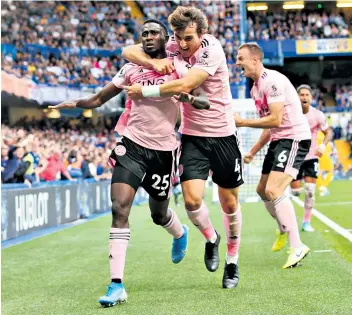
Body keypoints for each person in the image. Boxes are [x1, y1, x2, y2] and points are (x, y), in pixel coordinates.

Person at [49, 19, 209, 307]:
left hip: (164, 151)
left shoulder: (178, 66)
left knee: (158, 215)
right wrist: (74, 103)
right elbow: (99, 98)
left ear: (165, 38)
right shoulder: (131, 68)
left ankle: (180, 232)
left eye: (153, 33)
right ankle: (116, 285)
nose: (148, 37)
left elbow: (202, 100)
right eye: (144, 33)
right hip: (131, 144)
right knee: (119, 207)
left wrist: (188, 98)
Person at [122, 6, 243, 289]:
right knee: (191, 201)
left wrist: (145, 90)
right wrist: (152, 64)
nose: (183, 44)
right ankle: (212, 238)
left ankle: (233, 261)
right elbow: (129, 51)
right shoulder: (173, 46)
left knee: (229, 203)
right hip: (192, 136)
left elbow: (187, 82)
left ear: (203, 32)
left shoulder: (212, 50)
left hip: (224, 135)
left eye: (189, 37)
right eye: (178, 37)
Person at [234, 43, 311, 269]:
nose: (237, 63)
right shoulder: (255, 88)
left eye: (241, 59)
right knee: (261, 189)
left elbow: (276, 120)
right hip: (279, 140)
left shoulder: (273, 81)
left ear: (255, 60)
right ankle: (282, 227)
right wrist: (253, 151)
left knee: (274, 190)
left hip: (295, 138)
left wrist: (243, 122)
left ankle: (297, 246)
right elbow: (270, 127)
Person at [290, 85, 332, 232]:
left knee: (309, 190)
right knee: (296, 192)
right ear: (297, 96)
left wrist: (323, 146)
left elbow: (328, 133)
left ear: (311, 97)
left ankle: (306, 222)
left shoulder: (317, 115)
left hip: (311, 156)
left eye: (307, 95)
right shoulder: (290, 114)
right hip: (294, 156)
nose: (304, 97)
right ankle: (287, 217)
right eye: (301, 95)